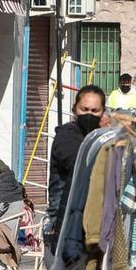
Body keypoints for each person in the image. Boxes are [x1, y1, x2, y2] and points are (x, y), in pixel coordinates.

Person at [44, 85, 107, 252]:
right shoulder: (66, 136)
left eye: (95, 110)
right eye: (84, 109)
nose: (89, 115)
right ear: (74, 109)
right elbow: (79, 162)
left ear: (103, 112)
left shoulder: (98, 137)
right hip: (64, 223)